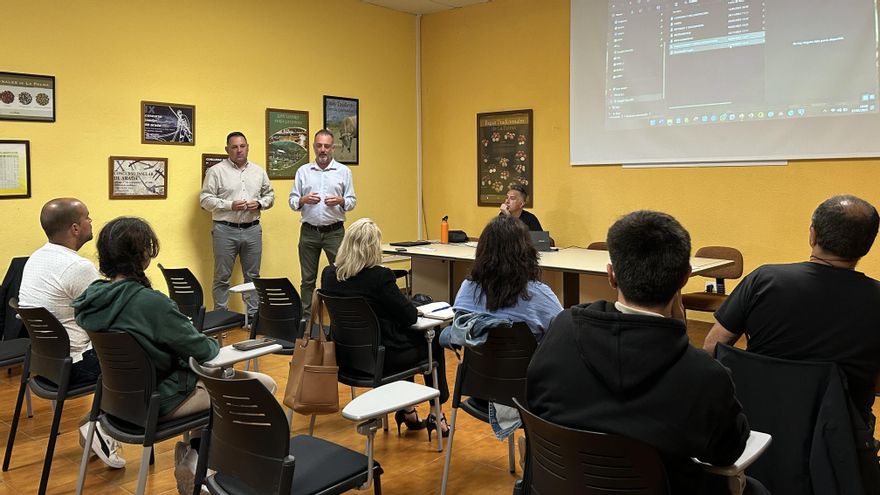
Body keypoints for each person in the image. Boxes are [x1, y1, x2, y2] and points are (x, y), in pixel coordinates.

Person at [528, 210, 765, 494]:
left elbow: (536, 402)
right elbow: (728, 451)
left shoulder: (561, 331)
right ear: (684, 279)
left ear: (611, 275)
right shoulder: (705, 375)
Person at [72, 217, 275, 495]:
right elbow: (205, 350)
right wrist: (185, 332)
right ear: (143, 253)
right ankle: (200, 460)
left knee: (210, 380)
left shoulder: (92, 300)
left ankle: (196, 457)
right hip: (160, 400)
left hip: (115, 402)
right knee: (260, 387)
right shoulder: (150, 303)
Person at [704, 194, 880, 425]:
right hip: (840, 431)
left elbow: (712, 348)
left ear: (812, 235)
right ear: (868, 245)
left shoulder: (764, 279)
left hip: (756, 421)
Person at [18, 198, 124, 469]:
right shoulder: (78, 267)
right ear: (75, 228)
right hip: (75, 366)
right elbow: (110, 319)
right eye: (87, 217)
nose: (91, 221)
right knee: (139, 359)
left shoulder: (36, 258)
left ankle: (99, 422)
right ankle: (100, 426)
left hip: (43, 365)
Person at [319, 218, 447, 438]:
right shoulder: (380, 277)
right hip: (382, 358)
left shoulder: (329, 275)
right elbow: (408, 316)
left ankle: (408, 411)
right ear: (373, 248)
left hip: (345, 357)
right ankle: (437, 413)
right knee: (432, 337)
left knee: (402, 338)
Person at [452, 215, 562, 343]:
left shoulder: (467, 288)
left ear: (482, 250)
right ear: (526, 251)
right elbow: (564, 332)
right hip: (529, 356)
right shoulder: (538, 294)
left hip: (478, 356)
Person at [199, 131, 275, 315]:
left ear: (248, 148)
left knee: (253, 277)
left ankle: (253, 318)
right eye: (234, 147)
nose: (239, 150)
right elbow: (205, 200)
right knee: (222, 277)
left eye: (242, 146)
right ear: (227, 149)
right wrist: (230, 205)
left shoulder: (258, 171)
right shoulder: (216, 171)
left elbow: (270, 196)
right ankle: (221, 317)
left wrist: (259, 203)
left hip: (252, 229)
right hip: (225, 230)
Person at [289, 129, 356, 320]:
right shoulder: (303, 171)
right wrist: (303, 200)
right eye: (319, 146)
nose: (323, 150)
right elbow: (292, 201)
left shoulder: (344, 172)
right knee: (307, 280)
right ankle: (307, 321)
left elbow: (352, 201)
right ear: (313, 147)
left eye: (327, 146)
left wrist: (341, 201)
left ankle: (342, 319)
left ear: (333, 148)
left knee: (341, 276)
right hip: (309, 232)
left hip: (334, 233)